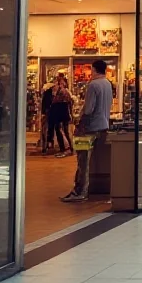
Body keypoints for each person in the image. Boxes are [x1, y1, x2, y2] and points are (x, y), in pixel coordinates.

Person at [61, 59, 112, 203]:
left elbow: (88, 109)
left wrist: (79, 117)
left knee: (83, 160)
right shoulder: (108, 84)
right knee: (95, 161)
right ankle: (85, 189)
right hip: (103, 125)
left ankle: (80, 191)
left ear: (94, 69)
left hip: (89, 128)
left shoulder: (93, 85)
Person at [48, 75, 74, 157]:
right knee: (64, 131)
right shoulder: (64, 92)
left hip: (61, 113)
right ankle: (69, 148)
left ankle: (65, 148)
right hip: (64, 113)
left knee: (61, 130)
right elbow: (70, 103)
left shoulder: (61, 92)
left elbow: (57, 103)